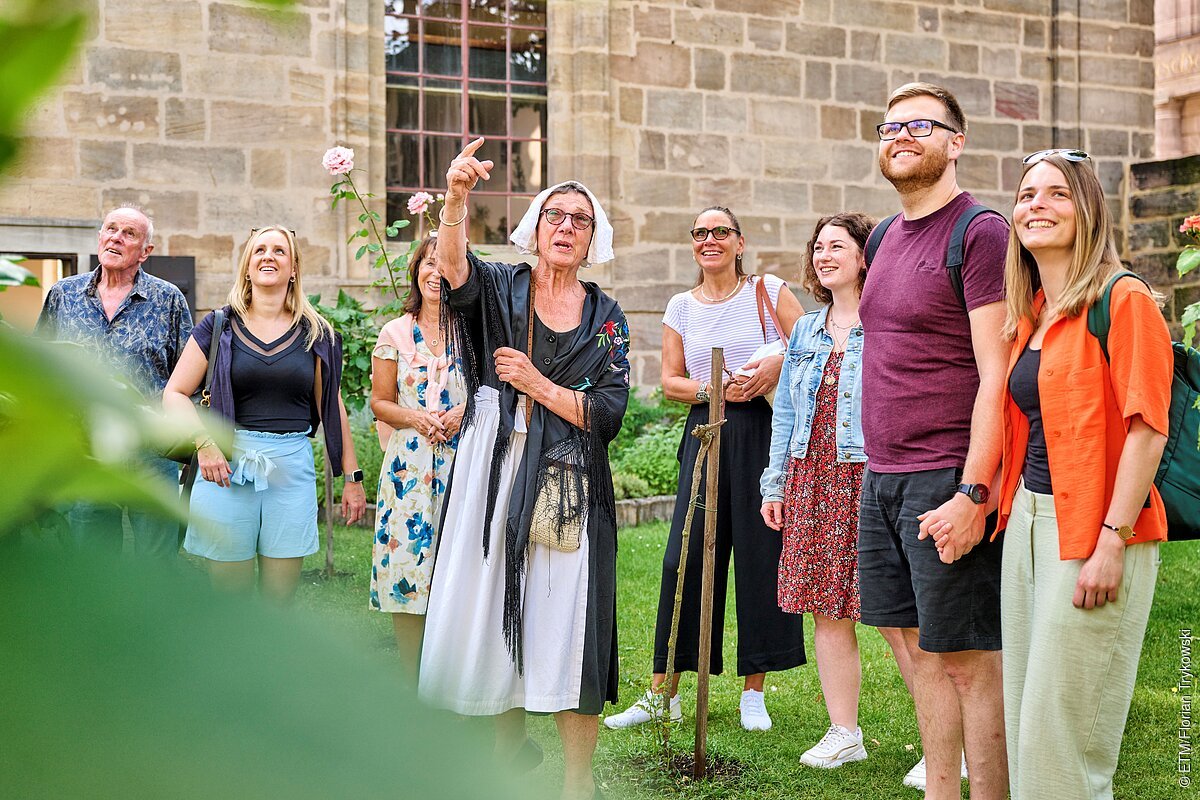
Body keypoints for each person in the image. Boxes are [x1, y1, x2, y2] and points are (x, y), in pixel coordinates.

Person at [417, 139, 630, 800]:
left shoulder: (607, 318)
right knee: (489, 612)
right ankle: (504, 759)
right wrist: (455, 200)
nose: (566, 227)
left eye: (579, 220)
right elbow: (454, 270)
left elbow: (608, 412)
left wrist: (537, 384)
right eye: (554, 216)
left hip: (569, 478)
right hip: (494, 466)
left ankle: (577, 782)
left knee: (571, 619)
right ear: (535, 228)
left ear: (592, 239)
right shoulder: (500, 287)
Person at [996, 150, 1172, 799]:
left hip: (1097, 530)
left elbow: (1148, 429)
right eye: (1026, 194)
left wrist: (1112, 540)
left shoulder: (1123, 300)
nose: (1036, 205)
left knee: (1061, 734)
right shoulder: (1035, 310)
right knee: (1025, 720)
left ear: (1088, 211)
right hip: (1028, 521)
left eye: (1056, 194)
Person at [858, 82, 1011, 798]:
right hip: (882, 476)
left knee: (969, 661)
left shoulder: (979, 232)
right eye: (890, 127)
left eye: (920, 125)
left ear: (956, 142)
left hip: (946, 474)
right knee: (919, 653)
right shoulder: (884, 237)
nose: (900, 136)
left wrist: (974, 492)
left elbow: (996, 373)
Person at [604, 206, 805, 734]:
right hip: (705, 432)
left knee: (761, 558)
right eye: (700, 232)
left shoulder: (768, 290)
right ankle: (663, 692)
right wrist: (712, 388)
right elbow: (670, 381)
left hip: (762, 432)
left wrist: (773, 366)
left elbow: (811, 349)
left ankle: (754, 692)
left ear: (740, 242)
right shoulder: (680, 306)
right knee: (683, 560)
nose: (709, 239)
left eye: (720, 231)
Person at [162, 226, 366, 601]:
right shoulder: (218, 326)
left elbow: (332, 406)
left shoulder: (316, 333)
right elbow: (174, 394)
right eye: (259, 250)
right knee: (231, 601)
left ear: (294, 269)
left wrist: (352, 478)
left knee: (278, 602)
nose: (268, 256)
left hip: (291, 472)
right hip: (225, 468)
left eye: (279, 250)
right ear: (247, 266)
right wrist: (205, 444)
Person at [760, 212, 874, 768]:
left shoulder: (887, 322)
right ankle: (844, 732)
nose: (824, 256)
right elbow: (785, 412)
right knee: (826, 608)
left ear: (864, 256)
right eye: (818, 247)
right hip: (811, 478)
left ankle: (943, 742)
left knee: (901, 614)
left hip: (870, 475)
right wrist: (775, 483)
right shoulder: (806, 329)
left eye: (837, 246)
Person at [35, 205, 193, 557]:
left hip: (152, 451)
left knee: (155, 560)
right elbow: (42, 368)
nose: (116, 238)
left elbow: (189, 377)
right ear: (99, 237)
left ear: (145, 251)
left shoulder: (168, 299)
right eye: (111, 229)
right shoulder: (63, 295)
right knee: (90, 558)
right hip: (85, 452)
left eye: (129, 233)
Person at [368, 234, 467, 680]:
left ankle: (452, 680)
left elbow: (490, 391)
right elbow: (380, 402)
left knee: (459, 568)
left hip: (462, 464)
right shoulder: (394, 333)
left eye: (445, 263)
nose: (436, 272)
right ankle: (412, 681)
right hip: (408, 469)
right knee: (407, 561)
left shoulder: (473, 333)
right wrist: (415, 418)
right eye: (428, 263)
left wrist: (462, 413)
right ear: (416, 271)